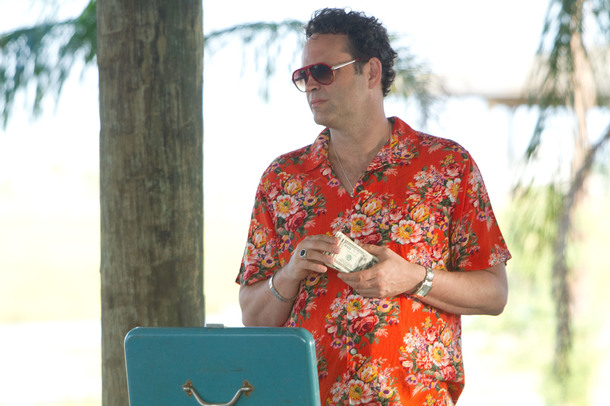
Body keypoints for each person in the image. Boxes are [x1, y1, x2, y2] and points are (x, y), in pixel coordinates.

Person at [237, 7, 510, 406]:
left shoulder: (447, 166)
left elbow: (494, 293)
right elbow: (252, 317)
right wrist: (291, 273)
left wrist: (414, 278)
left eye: (323, 71)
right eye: (303, 76)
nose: (311, 85)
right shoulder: (282, 179)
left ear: (371, 72)